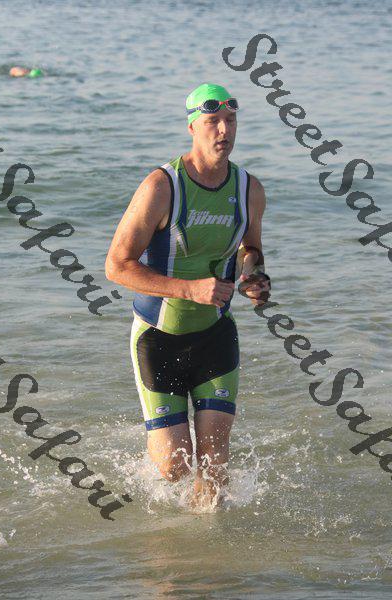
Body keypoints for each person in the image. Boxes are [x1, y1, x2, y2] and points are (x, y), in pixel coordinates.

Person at [105, 82, 271, 509]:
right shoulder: (162, 186)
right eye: (213, 121)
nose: (224, 130)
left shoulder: (249, 189)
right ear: (193, 127)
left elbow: (251, 248)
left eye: (231, 120)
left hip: (215, 334)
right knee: (174, 468)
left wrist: (253, 277)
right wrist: (189, 289)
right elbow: (117, 265)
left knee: (214, 466)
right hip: (158, 337)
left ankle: (210, 547)